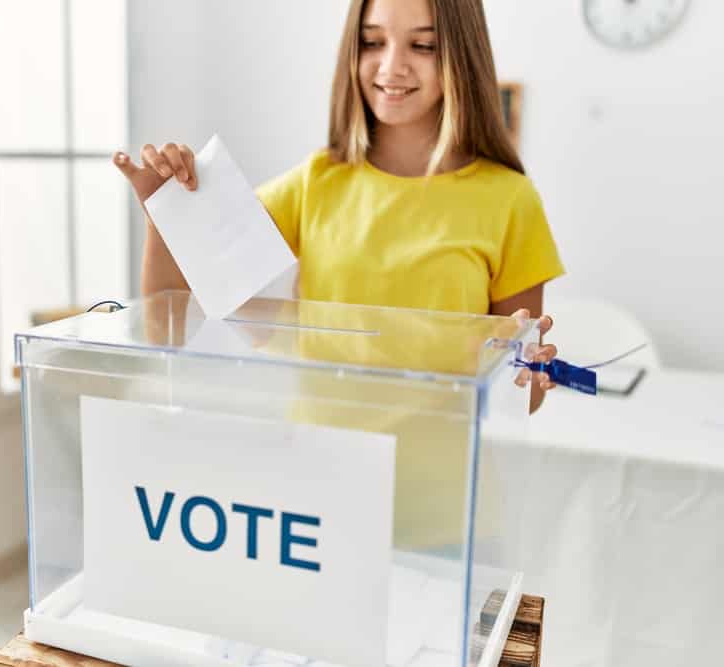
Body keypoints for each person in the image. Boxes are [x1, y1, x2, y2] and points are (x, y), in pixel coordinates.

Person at [113, 0, 562, 415]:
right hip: (322, 471)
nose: (392, 66)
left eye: (423, 45)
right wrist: (164, 209)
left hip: (441, 480)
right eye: (372, 41)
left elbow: (529, 394)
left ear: (462, 57)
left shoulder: (509, 200)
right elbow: (170, 325)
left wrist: (526, 369)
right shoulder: (314, 183)